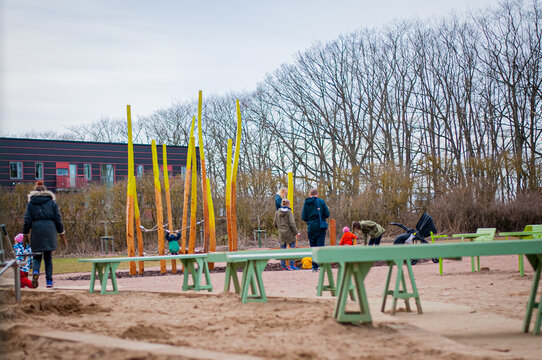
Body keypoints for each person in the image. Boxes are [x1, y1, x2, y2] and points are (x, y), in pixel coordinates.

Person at [23, 180, 66, 289]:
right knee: (48, 258)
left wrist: (25, 234)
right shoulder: (52, 203)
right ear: (45, 190)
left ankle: (36, 272)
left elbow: (27, 220)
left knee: (37, 256)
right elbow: (58, 219)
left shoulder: (31, 203)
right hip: (49, 230)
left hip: (37, 231)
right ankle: (49, 281)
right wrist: (62, 233)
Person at [301, 188, 330, 271]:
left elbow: (303, 217)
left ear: (310, 195)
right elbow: (327, 214)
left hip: (310, 227)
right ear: (317, 194)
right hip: (320, 226)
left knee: (313, 246)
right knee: (320, 245)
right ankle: (321, 264)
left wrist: (309, 221)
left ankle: (314, 266)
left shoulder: (306, 203)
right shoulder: (321, 202)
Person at [274, 199, 300, 270]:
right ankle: (291, 265)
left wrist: (280, 229)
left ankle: (283, 266)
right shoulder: (289, 212)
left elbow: (275, 223)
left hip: (281, 234)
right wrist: (296, 232)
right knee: (292, 249)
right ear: (288, 204)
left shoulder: (277, 212)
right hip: (289, 233)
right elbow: (292, 223)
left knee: (283, 250)